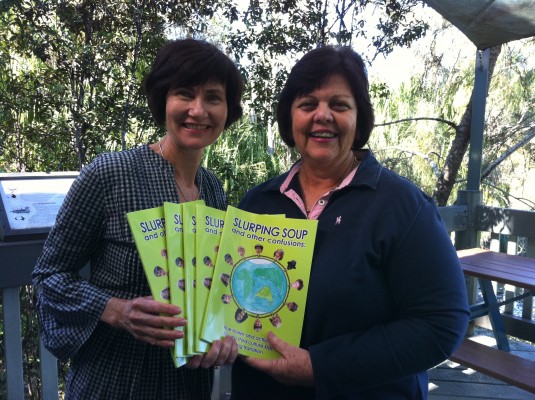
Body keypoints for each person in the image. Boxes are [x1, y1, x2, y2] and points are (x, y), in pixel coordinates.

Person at [231, 46, 469, 399]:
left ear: (359, 119)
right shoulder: (258, 202)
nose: (322, 116)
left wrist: (320, 367)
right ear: (290, 117)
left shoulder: (401, 206)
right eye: (308, 104)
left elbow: (441, 325)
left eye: (339, 105)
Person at [32, 38, 243, 400]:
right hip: (115, 379)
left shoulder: (213, 191)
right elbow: (48, 277)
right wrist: (116, 310)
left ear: (228, 109)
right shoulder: (110, 174)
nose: (198, 110)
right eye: (184, 94)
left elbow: (210, 292)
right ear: (163, 100)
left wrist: (221, 337)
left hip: (187, 383)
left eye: (213, 97)